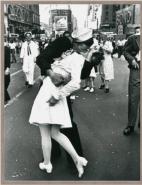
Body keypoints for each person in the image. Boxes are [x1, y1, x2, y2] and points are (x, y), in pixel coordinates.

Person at [29, 29, 95, 178]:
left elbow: (81, 76)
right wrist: (51, 74)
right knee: (51, 129)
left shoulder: (80, 55)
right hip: (51, 86)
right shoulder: (62, 42)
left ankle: (73, 158)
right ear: (76, 42)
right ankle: (53, 156)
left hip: (60, 91)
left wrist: (90, 60)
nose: (86, 48)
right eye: (85, 45)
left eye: (89, 45)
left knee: (64, 124)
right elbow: (41, 58)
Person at [123, 26, 140, 136]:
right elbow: (125, 51)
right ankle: (131, 125)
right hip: (137, 68)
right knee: (134, 98)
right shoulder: (133, 38)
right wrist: (132, 60)